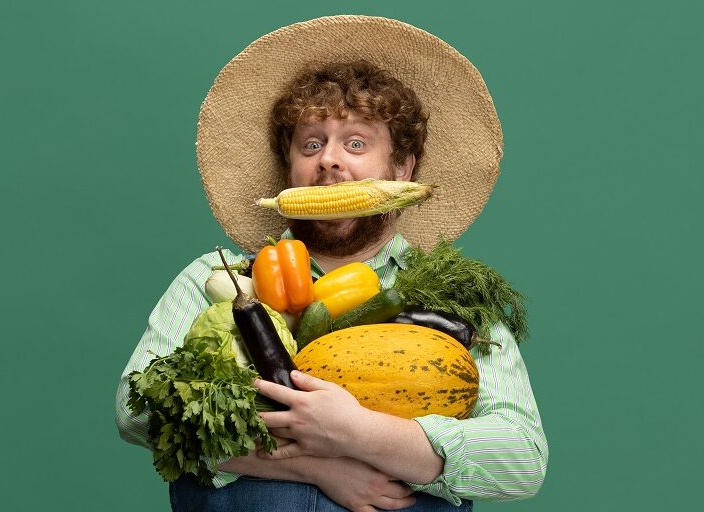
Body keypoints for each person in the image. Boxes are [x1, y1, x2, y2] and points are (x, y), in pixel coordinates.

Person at [116, 15, 548, 512]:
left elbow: (521, 458)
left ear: (402, 169)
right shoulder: (220, 281)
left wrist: (359, 435)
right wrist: (314, 464)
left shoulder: (457, 299)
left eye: (357, 143)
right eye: (311, 144)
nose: (329, 161)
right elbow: (136, 410)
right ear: (289, 171)